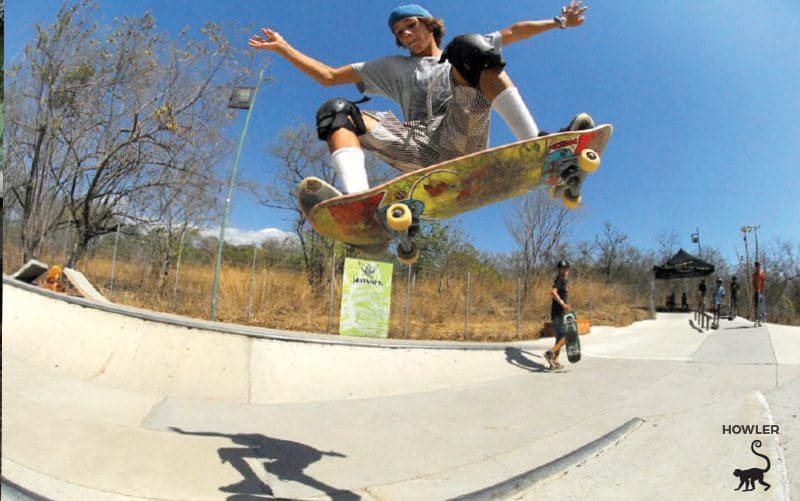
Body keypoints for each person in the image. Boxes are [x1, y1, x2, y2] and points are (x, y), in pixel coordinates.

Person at [249, 2, 594, 209]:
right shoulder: (390, 67)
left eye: (411, 26)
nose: (406, 36)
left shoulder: (456, 53)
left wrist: (560, 22)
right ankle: (360, 203)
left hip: (460, 136)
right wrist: (283, 47)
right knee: (336, 110)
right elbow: (326, 75)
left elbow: (514, 31)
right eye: (399, 32)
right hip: (414, 146)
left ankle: (539, 151)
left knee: (469, 49)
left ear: (429, 25)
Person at [544, 259, 571, 370]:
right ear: (560, 270)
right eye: (562, 269)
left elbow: (558, 291)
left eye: (565, 268)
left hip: (557, 312)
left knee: (559, 337)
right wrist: (563, 304)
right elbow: (553, 293)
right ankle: (550, 353)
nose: (564, 270)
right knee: (567, 336)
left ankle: (554, 361)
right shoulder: (560, 279)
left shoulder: (562, 280)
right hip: (559, 313)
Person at [752, 261, 766, 326]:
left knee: (761, 306)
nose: (757, 267)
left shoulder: (762, 273)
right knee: (756, 306)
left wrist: (762, 289)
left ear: (760, 266)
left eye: (758, 265)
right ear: (755, 267)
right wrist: (756, 288)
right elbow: (753, 282)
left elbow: (763, 282)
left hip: (761, 292)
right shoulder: (754, 274)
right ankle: (756, 320)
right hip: (756, 291)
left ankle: (760, 320)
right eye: (756, 266)